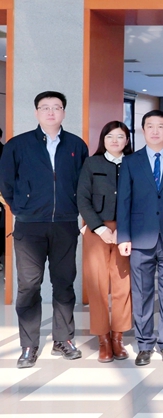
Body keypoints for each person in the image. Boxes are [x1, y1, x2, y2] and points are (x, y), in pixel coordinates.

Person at [0, 91, 88, 368]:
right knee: (28, 285)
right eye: (45, 107)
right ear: (36, 112)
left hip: (65, 223)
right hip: (29, 227)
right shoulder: (18, 145)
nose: (51, 112)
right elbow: (6, 182)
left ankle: (64, 339)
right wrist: (21, 208)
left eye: (56, 107)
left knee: (64, 283)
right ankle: (28, 345)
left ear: (64, 112)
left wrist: (77, 210)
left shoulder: (76, 145)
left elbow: (83, 184)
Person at [116, 109, 163, 367]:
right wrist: (124, 237)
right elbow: (123, 201)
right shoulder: (130, 162)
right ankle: (145, 344)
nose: (156, 131)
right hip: (139, 238)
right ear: (143, 130)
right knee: (142, 293)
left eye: (161, 126)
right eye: (150, 126)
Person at [77, 121, 133, 363]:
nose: (115, 141)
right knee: (97, 285)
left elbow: (139, 198)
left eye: (120, 136)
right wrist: (100, 229)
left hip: (126, 231)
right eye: (110, 136)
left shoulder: (134, 163)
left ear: (127, 140)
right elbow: (82, 198)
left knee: (122, 284)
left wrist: (124, 229)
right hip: (96, 230)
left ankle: (118, 337)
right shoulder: (92, 163)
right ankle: (103, 339)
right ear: (103, 139)